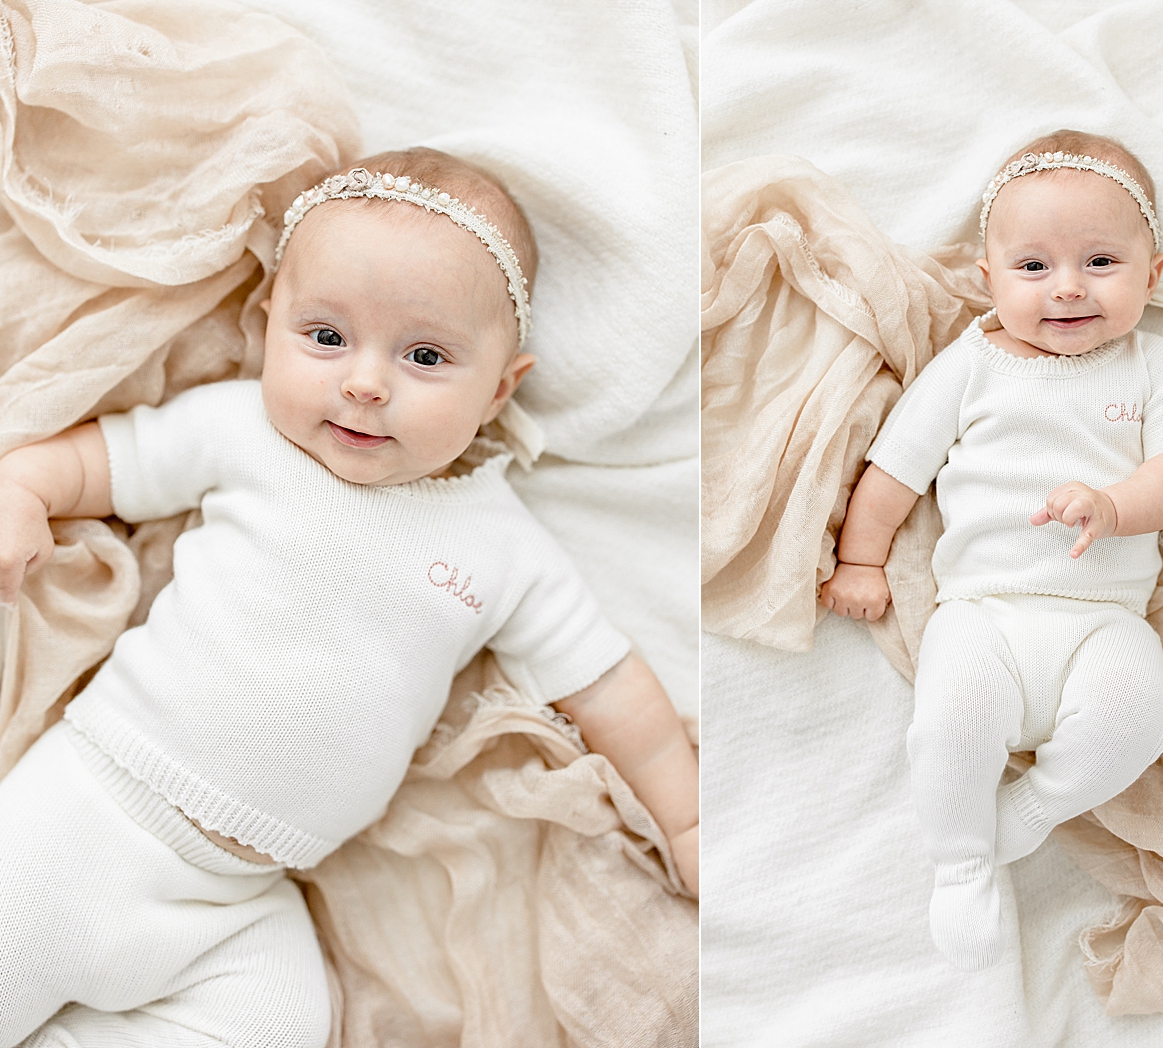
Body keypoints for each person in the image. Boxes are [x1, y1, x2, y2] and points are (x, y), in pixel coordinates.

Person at [0, 147, 698, 1046]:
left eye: (425, 355)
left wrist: (682, 818)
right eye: (326, 337)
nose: (365, 382)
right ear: (266, 324)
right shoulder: (244, 435)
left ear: (499, 389)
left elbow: (608, 686)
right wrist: (23, 494)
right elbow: (99, 462)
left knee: (287, 1021)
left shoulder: (504, 548)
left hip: (238, 904)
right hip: (90, 823)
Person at [819, 131, 1163, 971]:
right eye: (1033, 267)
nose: (1068, 288)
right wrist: (859, 559)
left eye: (1101, 261)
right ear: (985, 277)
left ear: (1154, 272)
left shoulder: (1152, 365)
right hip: (984, 612)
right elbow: (895, 469)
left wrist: (1113, 505)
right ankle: (961, 864)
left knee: (1137, 722)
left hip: (1103, 617)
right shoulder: (970, 366)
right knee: (947, 725)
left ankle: (1030, 812)